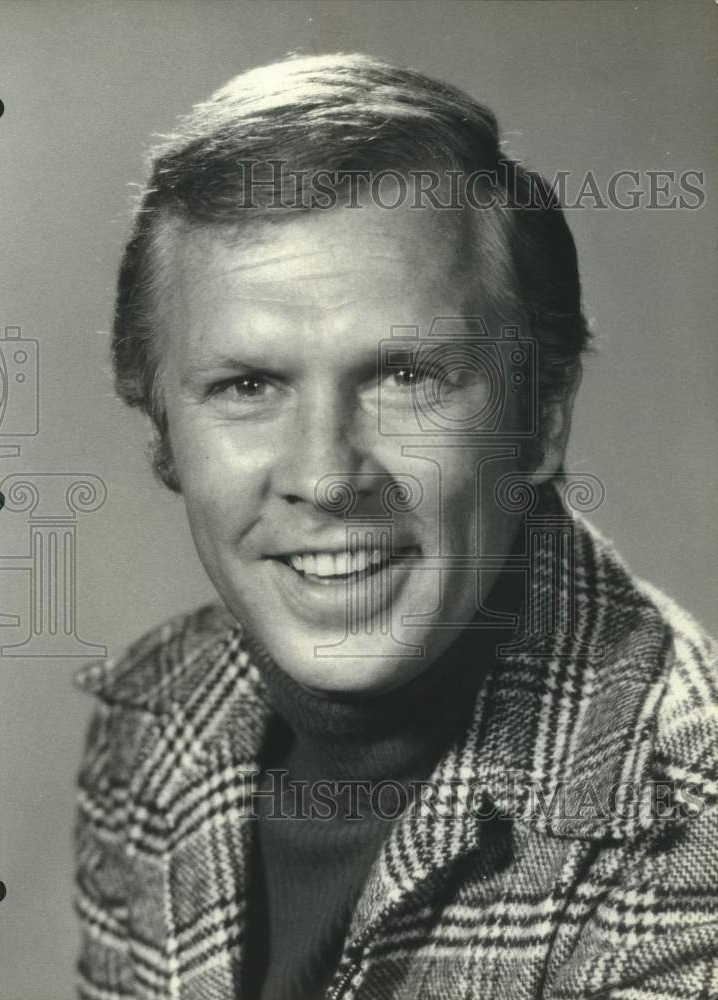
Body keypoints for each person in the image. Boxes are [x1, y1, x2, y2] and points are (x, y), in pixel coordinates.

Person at [73, 53, 717, 1000]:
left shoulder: (689, 835)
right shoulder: (150, 717)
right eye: (246, 386)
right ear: (162, 434)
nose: (327, 476)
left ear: (537, 419)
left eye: (406, 377)